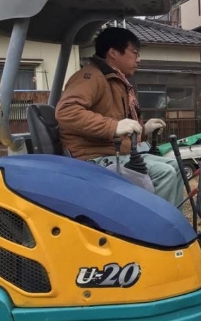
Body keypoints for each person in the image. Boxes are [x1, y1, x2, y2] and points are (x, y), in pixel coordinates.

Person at [55, 27, 184, 207]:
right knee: (164, 173)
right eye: (134, 53)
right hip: (93, 158)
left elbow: (119, 125)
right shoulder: (90, 77)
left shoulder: (116, 80)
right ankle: (153, 224)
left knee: (176, 166)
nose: (138, 59)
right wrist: (113, 127)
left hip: (115, 152)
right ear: (113, 53)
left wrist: (143, 130)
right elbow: (66, 111)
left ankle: (172, 220)